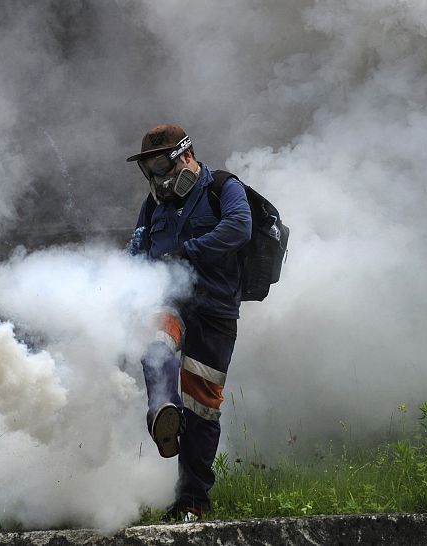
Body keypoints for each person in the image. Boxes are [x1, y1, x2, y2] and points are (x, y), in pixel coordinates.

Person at [127, 124, 252, 521]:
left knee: (202, 408)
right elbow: (140, 248)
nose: (156, 175)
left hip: (214, 311)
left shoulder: (223, 187)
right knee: (155, 343)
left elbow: (238, 227)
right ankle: (163, 409)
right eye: (148, 167)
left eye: (160, 163)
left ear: (185, 155)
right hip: (171, 301)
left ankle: (193, 501)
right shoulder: (153, 206)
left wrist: (188, 253)